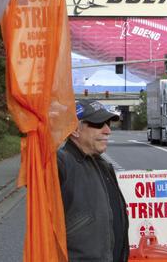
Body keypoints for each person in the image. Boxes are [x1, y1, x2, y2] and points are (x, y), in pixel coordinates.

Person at [57, 99, 129, 262]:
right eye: (99, 124)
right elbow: (38, 170)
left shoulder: (100, 163)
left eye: (108, 123)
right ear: (75, 129)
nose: (107, 130)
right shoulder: (62, 162)